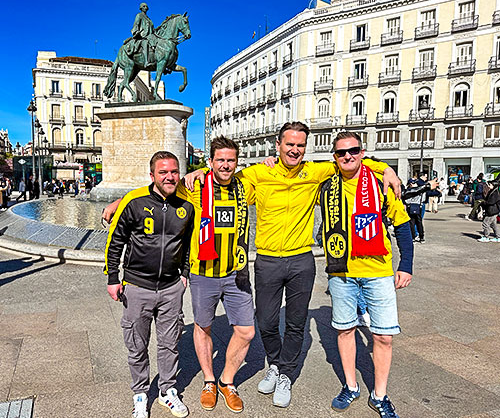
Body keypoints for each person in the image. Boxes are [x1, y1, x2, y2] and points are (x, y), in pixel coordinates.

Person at [184, 122, 400, 408]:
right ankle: (274, 363)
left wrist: (385, 168)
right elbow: (223, 176)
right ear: (278, 145)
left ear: (305, 148)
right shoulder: (259, 173)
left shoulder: (315, 171)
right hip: (268, 260)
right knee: (266, 321)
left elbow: (349, 161)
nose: (295, 150)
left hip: (301, 260)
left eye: (300, 145)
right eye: (290, 144)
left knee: (297, 323)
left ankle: (285, 373)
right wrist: (200, 171)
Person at [319, 132, 414, 418]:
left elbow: (403, 227)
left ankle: (380, 394)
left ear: (362, 152)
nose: (347, 156)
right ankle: (350, 386)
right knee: (345, 330)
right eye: (341, 153)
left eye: (353, 150)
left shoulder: (381, 182)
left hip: (378, 272)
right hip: (341, 273)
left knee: (384, 337)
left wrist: (406, 265)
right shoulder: (325, 185)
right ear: (334, 158)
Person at [105, 151, 194, 418]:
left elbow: (188, 243)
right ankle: (141, 394)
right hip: (137, 285)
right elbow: (116, 241)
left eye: (174, 171)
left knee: (170, 343)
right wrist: (112, 278)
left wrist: (185, 273)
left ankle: (168, 391)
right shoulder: (134, 202)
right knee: (137, 344)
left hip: (170, 288)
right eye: (163, 172)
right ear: (152, 175)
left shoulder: (186, 205)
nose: (170, 177)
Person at [177, 137, 254, 413]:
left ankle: (226, 381)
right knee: (203, 326)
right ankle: (209, 380)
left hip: (236, 272)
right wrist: (119, 203)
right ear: (210, 162)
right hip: (203, 272)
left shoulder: (246, 186)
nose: (225, 164)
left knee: (246, 330)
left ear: (237, 162)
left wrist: (382, 169)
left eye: (230, 160)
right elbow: (160, 189)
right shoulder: (196, 185)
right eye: (220, 159)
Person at [130, 2, 156, 67]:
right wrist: (136, 32)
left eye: (146, 6)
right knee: (145, 44)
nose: (145, 8)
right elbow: (136, 24)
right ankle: (146, 62)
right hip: (143, 36)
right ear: (141, 8)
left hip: (150, 36)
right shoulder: (139, 15)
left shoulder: (149, 19)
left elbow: (152, 29)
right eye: (144, 6)